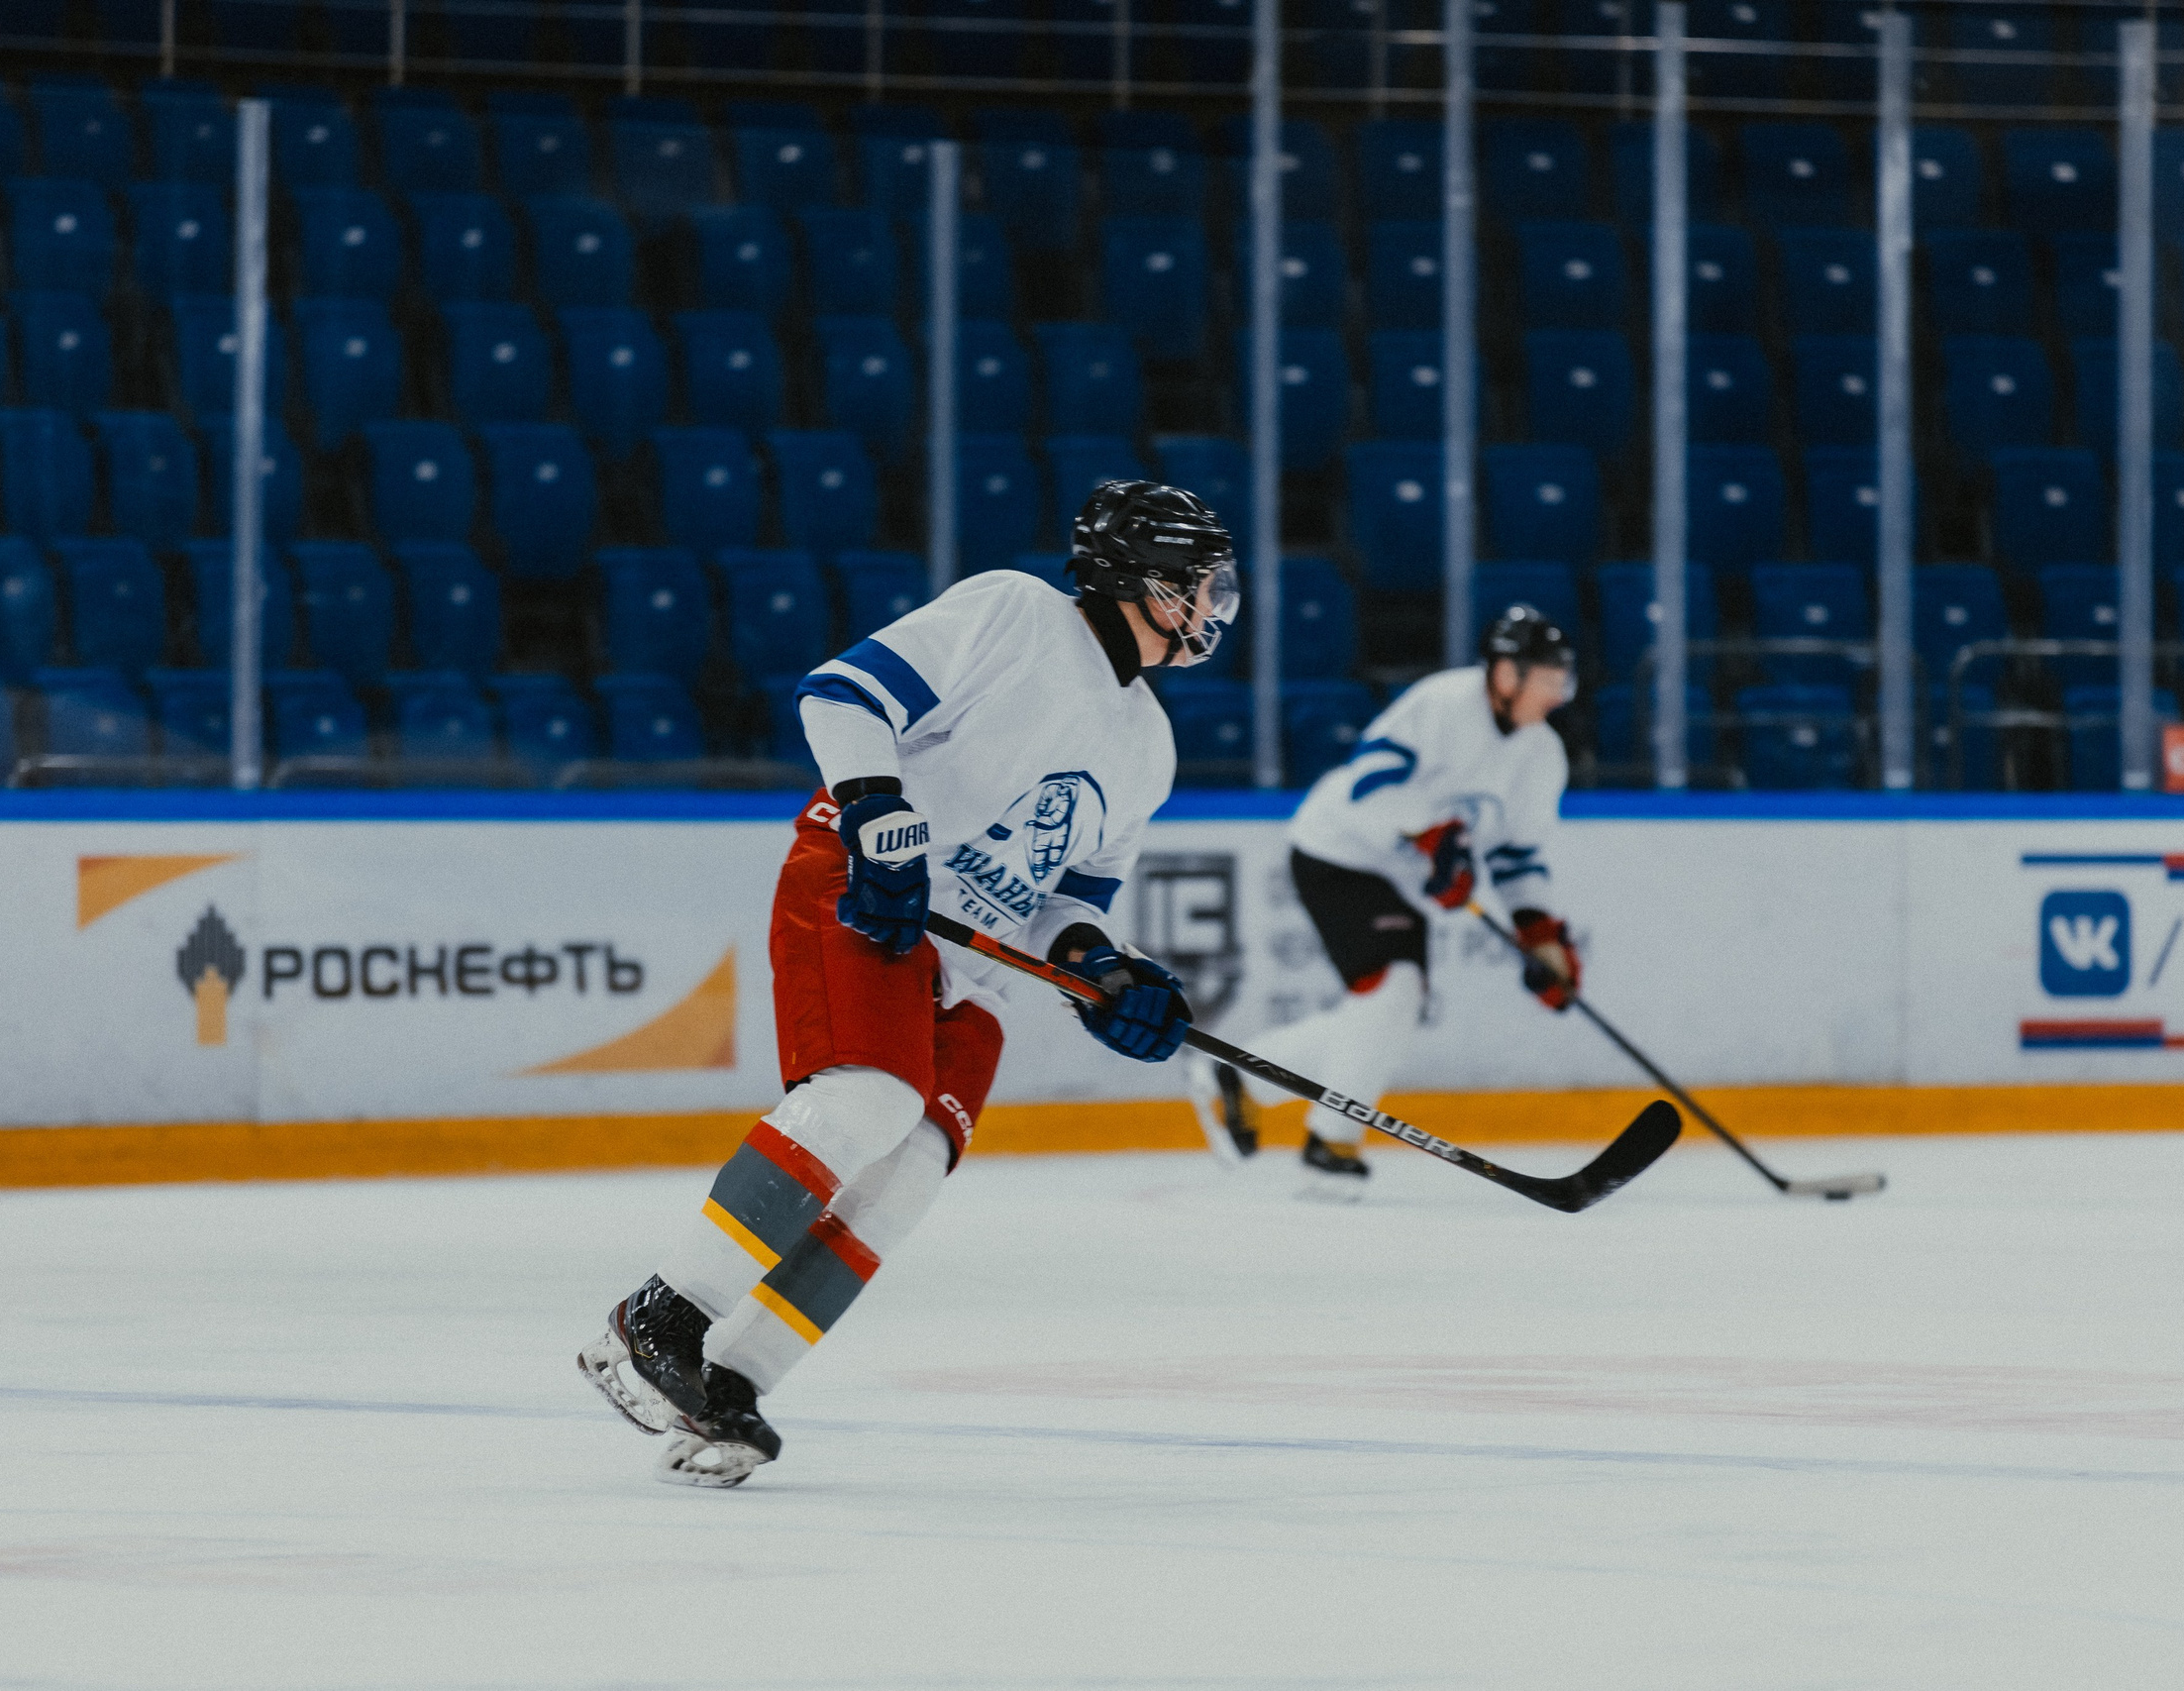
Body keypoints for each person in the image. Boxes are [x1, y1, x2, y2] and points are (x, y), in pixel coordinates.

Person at [579, 481, 1240, 1485]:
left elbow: (1069, 900)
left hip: (970, 957)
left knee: (911, 1166)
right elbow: (841, 693)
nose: (1212, 604)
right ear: (1139, 577)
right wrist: (880, 820)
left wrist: (1104, 971)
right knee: (868, 1099)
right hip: (860, 893)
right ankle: (659, 1316)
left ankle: (731, 1381)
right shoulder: (1015, 613)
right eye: (1197, 583)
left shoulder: (1148, 743)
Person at [1189, 604, 1582, 1200]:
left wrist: (1540, 935)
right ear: (1507, 675)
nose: (1559, 694)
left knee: (1391, 1007)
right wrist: (1429, 834)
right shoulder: (1446, 704)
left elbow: (1516, 858)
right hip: (1339, 850)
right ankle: (1330, 1145)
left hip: (1396, 877)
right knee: (1395, 989)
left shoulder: (1541, 754)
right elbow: (1370, 779)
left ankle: (1241, 1075)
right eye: (1550, 679)